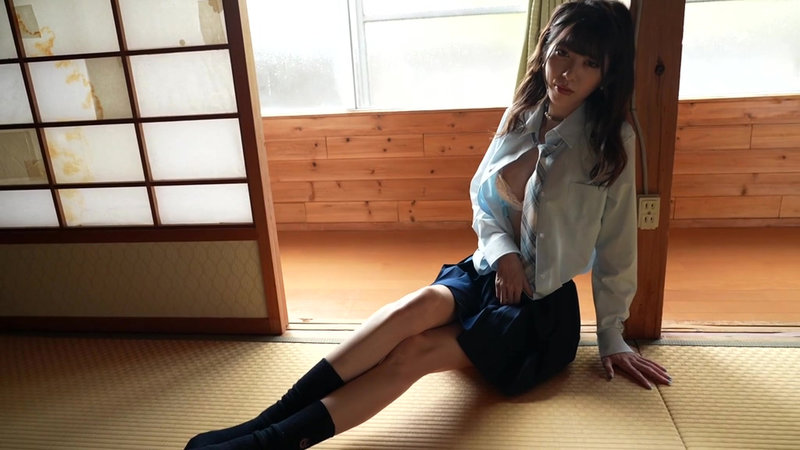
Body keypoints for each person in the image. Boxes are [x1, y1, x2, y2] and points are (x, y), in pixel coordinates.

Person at [186, 1, 671, 448]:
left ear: (606, 74)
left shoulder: (613, 143)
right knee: (409, 309)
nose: (567, 72)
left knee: (413, 353)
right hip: (489, 271)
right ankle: (263, 421)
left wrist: (612, 335)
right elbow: (483, 200)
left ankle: (268, 443)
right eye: (562, 52)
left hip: (538, 313)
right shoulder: (521, 115)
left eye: (588, 63)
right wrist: (504, 255)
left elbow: (617, 245)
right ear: (545, 48)